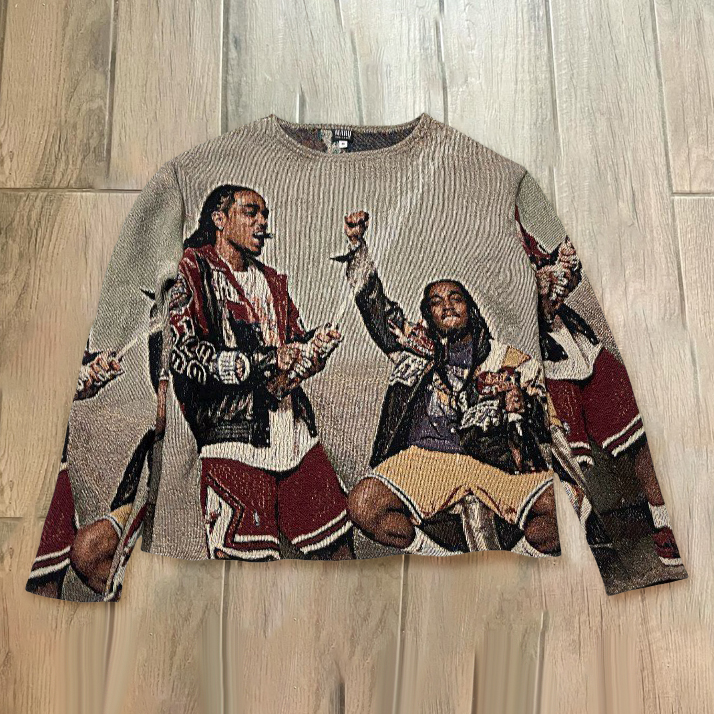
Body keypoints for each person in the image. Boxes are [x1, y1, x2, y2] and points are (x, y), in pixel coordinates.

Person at [332, 211, 590, 557]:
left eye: (456, 298)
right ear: (427, 316)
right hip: (423, 463)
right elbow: (378, 311)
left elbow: (544, 426)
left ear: (471, 308)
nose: (447, 305)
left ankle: (516, 563)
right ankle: (446, 561)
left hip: (487, 465)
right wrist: (357, 247)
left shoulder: (506, 359)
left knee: (569, 503)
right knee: (363, 504)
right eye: (436, 302)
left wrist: (518, 405)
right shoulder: (416, 349)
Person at [168, 184, 354, 560]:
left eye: (265, 214)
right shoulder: (191, 268)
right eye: (250, 212)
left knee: (339, 553)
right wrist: (266, 361)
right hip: (233, 442)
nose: (262, 222)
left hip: (294, 436)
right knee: (246, 575)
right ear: (219, 219)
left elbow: (293, 349)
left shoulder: (272, 280)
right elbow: (183, 355)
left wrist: (314, 348)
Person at [515, 205, 682, 566]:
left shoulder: (513, 220)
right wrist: (538, 294)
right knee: (566, 465)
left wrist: (564, 266)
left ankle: (666, 524)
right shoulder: (474, 241)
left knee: (638, 431)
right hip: (534, 365)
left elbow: (552, 281)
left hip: (574, 345)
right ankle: (576, 561)